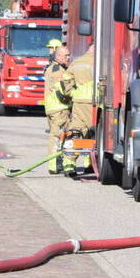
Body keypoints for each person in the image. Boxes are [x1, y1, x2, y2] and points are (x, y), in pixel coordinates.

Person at [59, 44, 94, 177]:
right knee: (93, 133)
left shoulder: (76, 62)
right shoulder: (101, 62)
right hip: (94, 103)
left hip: (78, 102)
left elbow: (66, 80)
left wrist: (72, 93)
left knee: (76, 131)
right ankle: (89, 163)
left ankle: (69, 163)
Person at [42, 42, 70, 175]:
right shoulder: (57, 70)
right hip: (59, 108)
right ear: (58, 56)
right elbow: (62, 90)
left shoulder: (56, 67)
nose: (68, 58)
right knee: (56, 137)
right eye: (66, 55)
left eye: (69, 55)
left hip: (54, 108)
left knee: (60, 137)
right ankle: (53, 165)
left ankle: (57, 162)